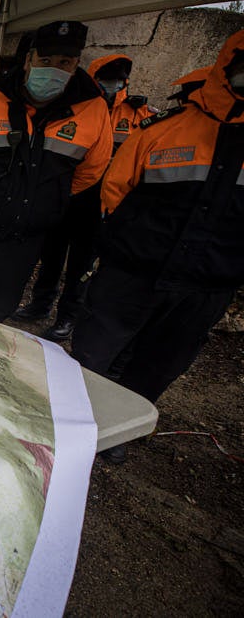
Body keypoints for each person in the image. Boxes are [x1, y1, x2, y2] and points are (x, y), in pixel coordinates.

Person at [71, 30, 244, 463]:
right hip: (133, 272)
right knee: (94, 350)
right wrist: (127, 244)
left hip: (207, 284)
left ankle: (118, 429)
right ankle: (69, 420)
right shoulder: (164, 130)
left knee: (160, 362)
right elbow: (115, 189)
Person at [0, 20, 112, 322]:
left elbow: (90, 172)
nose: (54, 70)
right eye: (45, 60)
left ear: (76, 64)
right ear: (29, 60)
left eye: (64, 62)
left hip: (21, 244)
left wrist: (42, 200)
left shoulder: (93, 110)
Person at [14, 54, 156, 340]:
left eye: (118, 81)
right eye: (106, 80)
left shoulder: (138, 115)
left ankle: (68, 316)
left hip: (102, 203)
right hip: (68, 194)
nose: (112, 86)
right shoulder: (76, 108)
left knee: (83, 264)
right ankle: (40, 305)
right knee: (51, 254)